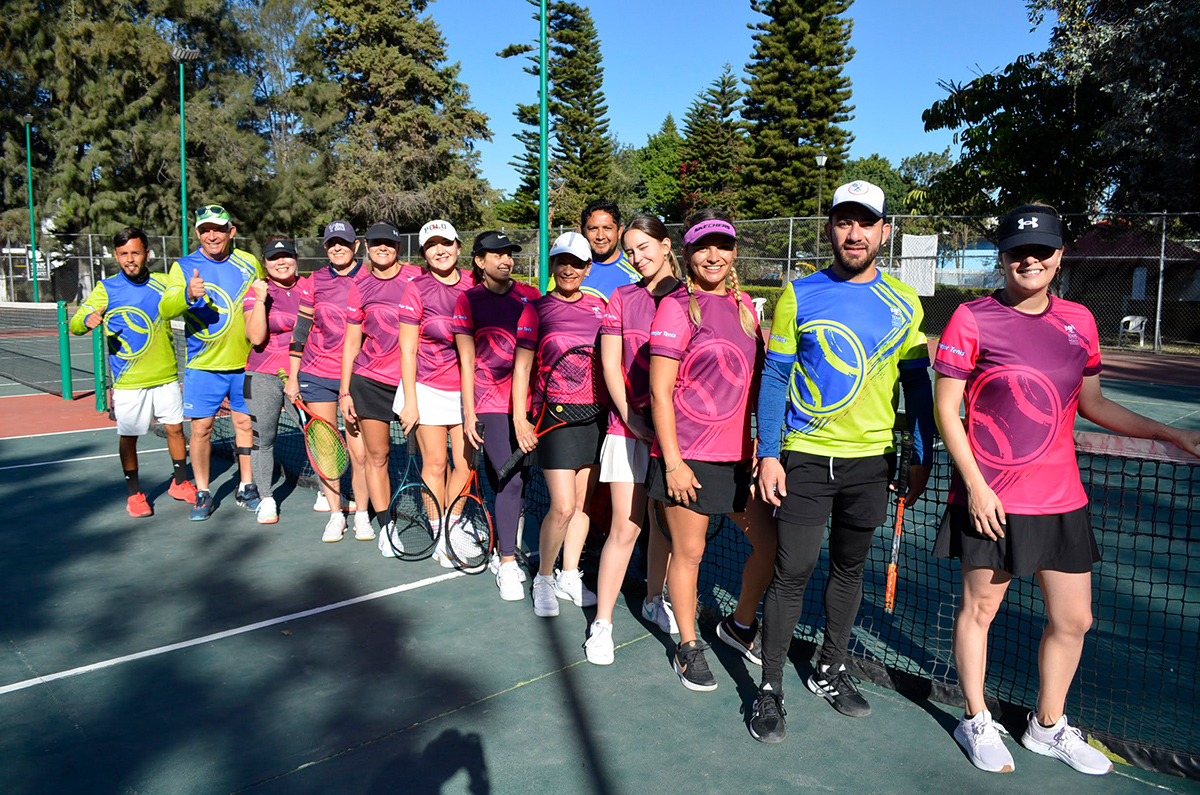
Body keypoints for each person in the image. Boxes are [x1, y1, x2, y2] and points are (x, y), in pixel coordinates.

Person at [933, 204, 1200, 775]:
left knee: (1075, 620)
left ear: (1059, 256)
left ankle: (1046, 726)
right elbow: (946, 411)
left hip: (1061, 499)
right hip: (993, 499)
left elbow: (1093, 403)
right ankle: (975, 719)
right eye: (1018, 251)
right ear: (1003, 257)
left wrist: (1168, 432)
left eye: (1042, 251)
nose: (1030, 260)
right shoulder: (972, 319)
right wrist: (976, 487)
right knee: (980, 610)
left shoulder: (1080, 320)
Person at [749, 181, 934, 742]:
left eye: (866, 223)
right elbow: (775, 377)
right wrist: (768, 452)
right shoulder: (798, 294)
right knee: (792, 571)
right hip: (805, 459)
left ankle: (830, 668)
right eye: (844, 222)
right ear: (830, 228)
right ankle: (770, 688)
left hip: (872, 464)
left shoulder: (906, 302)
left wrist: (921, 453)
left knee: (850, 570)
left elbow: (917, 386)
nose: (854, 234)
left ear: (884, 231)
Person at [647, 209, 778, 692]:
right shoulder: (675, 307)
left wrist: (764, 446)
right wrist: (674, 463)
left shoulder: (745, 306)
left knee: (769, 545)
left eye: (722, 245)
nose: (713, 255)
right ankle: (687, 645)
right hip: (688, 457)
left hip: (740, 459)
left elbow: (760, 381)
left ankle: (739, 626)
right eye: (703, 247)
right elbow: (660, 392)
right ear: (687, 255)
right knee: (690, 554)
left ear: (734, 252)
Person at [585, 214, 681, 665]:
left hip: (677, 436)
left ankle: (653, 600)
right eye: (631, 251)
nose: (638, 257)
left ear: (666, 245)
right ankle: (602, 623)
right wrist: (632, 419)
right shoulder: (622, 297)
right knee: (626, 527)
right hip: (628, 430)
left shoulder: (691, 298)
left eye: (644, 247)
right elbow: (610, 364)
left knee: (665, 527)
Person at [70, 227, 196, 516]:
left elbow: (185, 300)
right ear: (116, 256)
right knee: (129, 436)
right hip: (128, 381)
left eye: (135, 253)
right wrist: (86, 321)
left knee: (176, 429)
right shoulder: (105, 289)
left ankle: (180, 482)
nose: (130, 259)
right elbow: (76, 323)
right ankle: (135, 494)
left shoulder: (164, 282)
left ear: (146, 254)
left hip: (165, 375)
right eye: (124, 254)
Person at [512, 231, 607, 617]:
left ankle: (570, 573)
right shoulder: (535, 310)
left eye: (577, 263)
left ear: (588, 268)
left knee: (583, 503)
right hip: (554, 417)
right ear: (552, 265)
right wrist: (520, 418)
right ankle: (544, 578)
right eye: (562, 261)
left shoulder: (600, 307)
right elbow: (522, 367)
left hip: (595, 415)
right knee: (564, 505)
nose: (569, 269)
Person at [162, 204, 265, 521]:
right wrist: (188, 294)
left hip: (245, 364)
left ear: (231, 232)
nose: (212, 236)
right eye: (205, 230)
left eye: (218, 230)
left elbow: (261, 301)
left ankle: (246, 486)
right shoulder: (183, 267)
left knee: (245, 425)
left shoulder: (249, 263)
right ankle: (203, 492)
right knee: (201, 429)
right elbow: (166, 309)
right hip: (203, 367)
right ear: (197, 233)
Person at [453, 231, 540, 598]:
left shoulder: (530, 297)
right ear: (479, 260)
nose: (506, 260)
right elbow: (467, 361)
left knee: (515, 479)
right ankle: (506, 562)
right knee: (511, 478)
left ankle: (504, 546)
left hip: (528, 404)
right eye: (497, 254)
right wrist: (468, 412)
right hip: (489, 403)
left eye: (509, 254)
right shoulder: (468, 300)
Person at [396, 219, 475, 566]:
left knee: (464, 464)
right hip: (426, 388)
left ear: (458, 247)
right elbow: (407, 349)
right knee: (436, 462)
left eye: (446, 243)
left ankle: (454, 525)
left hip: (467, 390)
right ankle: (439, 531)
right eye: (431, 246)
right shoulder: (416, 289)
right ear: (424, 254)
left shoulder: (474, 283)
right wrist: (410, 402)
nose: (440, 251)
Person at [287, 220, 371, 542]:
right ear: (325, 247)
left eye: (344, 242)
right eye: (332, 243)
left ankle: (362, 514)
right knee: (326, 450)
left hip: (358, 377)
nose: (338, 248)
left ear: (356, 246)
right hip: (317, 374)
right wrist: (293, 377)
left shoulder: (369, 278)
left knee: (359, 453)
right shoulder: (315, 280)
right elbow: (301, 330)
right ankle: (336, 515)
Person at [339, 221, 413, 542]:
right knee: (378, 455)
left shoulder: (417, 278)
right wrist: (344, 391)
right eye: (376, 243)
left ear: (399, 247)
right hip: (369, 382)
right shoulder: (360, 286)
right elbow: (351, 343)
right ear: (367, 247)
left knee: (431, 458)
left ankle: (440, 523)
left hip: (413, 384)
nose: (383, 247)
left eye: (390, 243)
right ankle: (387, 527)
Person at [242, 236, 302, 524]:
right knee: (264, 439)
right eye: (274, 258)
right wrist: (261, 299)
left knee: (317, 435)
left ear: (296, 259)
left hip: (303, 374)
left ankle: (328, 493)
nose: (281, 262)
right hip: (263, 374)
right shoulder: (256, 292)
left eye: (286, 256)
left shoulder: (310, 287)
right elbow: (255, 337)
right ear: (264, 263)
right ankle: (266, 498)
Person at [579, 199, 640, 301]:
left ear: (619, 231)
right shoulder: (568, 270)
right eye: (593, 228)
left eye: (607, 228)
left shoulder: (637, 267)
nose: (600, 236)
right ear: (583, 231)